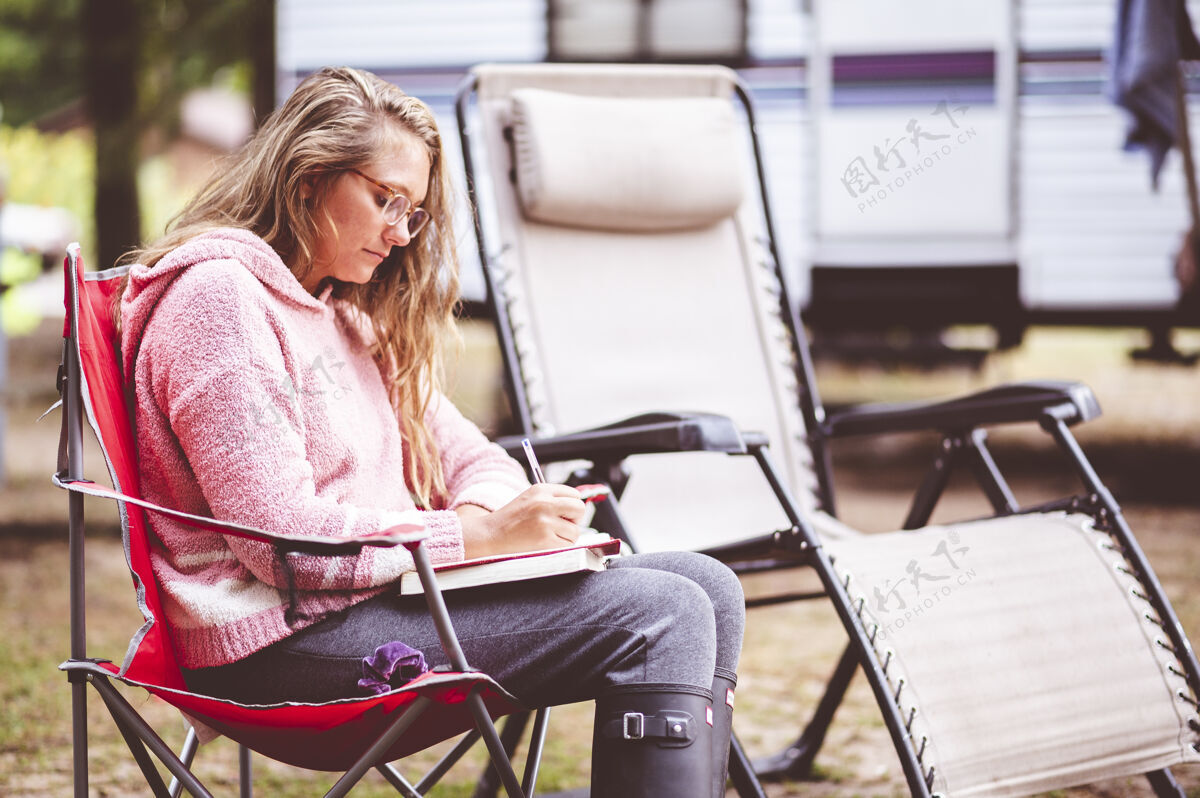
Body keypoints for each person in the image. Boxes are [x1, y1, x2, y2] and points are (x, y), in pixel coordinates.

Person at [117, 66, 745, 797]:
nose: (399, 231)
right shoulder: (219, 302)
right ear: (309, 177)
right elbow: (280, 541)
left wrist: (492, 521)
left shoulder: (342, 317)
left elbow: (474, 456)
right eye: (386, 199)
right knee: (661, 611)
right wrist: (476, 541)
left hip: (378, 607)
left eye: (412, 211)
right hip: (280, 646)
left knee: (709, 585)